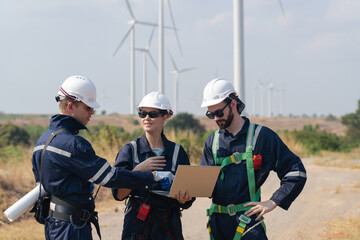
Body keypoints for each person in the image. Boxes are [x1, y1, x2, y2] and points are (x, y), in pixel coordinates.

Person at [31, 75, 170, 240]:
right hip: (72, 228)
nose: (92, 113)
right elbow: (110, 177)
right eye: (88, 108)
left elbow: (44, 184)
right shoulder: (73, 144)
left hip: (54, 225)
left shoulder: (43, 140)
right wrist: (152, 176)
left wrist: (77, 186)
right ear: (70, 106)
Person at [200, 78, 307, 240]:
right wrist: (185, 194)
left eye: (219, 112)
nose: (215, 118)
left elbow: (296, 172)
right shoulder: (212, 142)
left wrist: (273, 201)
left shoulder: (262, 137)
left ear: (233, 103)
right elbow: (204, 186)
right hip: (218, 225)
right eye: (210, 114)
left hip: (248, 223)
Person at [112, 91, 195, 240]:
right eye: (142, 114)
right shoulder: (130, 150)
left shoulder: (177, 152)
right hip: (138, 224)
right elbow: (118, 194)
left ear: (165, 117)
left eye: (152, 114)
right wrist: (138, 171)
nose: (146, 118)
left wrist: (184, 199)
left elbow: (189, 197)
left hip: (169, 224)